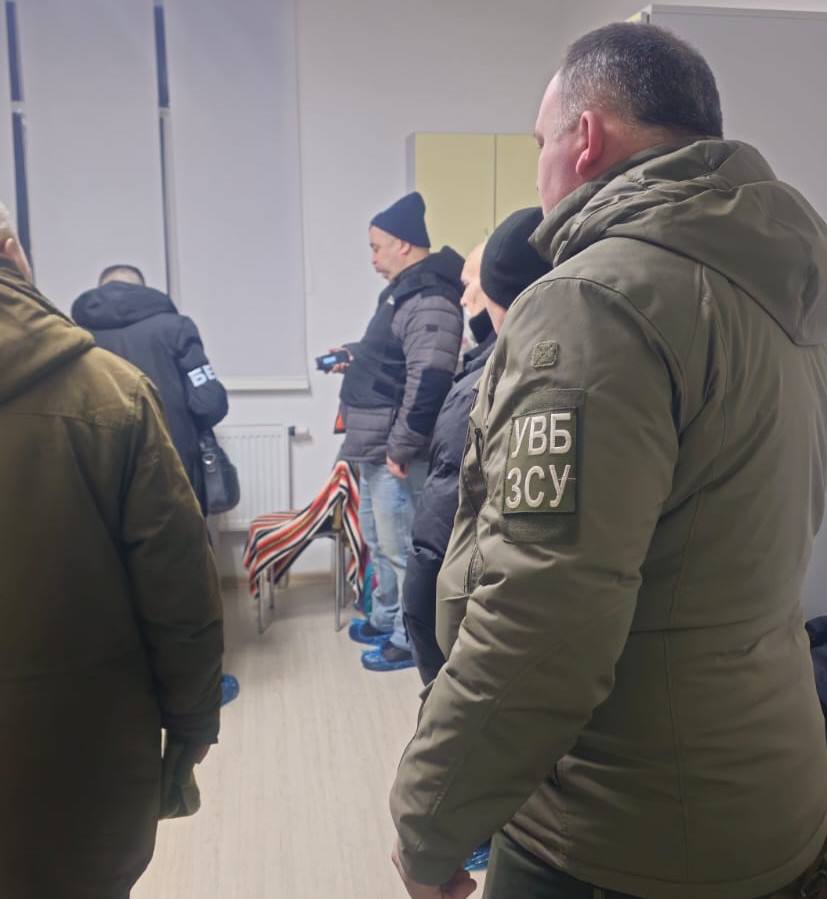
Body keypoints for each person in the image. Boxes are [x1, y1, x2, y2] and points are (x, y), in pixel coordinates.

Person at [390, 22, 827, 899]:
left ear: (583, 139)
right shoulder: (783, 281)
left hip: (620, 828)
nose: (538, 173)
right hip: (773, 782)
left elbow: (540, 618)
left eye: (539, 144)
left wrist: (429, 820)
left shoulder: (595, 301)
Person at [0, 206, 224, 898]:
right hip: (79, 755)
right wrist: (192, 719)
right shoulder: (111, 385)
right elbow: (178, 591)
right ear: (12, 251)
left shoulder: (92, 341)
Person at [402, 208, 550, 687]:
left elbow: (441, 524)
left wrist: (417, 608)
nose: (464, 297)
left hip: (478, 607)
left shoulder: (479, 388)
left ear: (503, 292)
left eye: (473, 284)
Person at [339, 191, 464, 672]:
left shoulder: (430, 296)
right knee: (379, 542)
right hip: (377, 447)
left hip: (397, 452)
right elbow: (396, 357)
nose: (372, 258)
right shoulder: (404, 293)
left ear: (404, 245)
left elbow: (430, 377)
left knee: (403, 549)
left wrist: (402, 447)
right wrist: (354, 357)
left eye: (377, 247)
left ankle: (408, 639)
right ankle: (385, 616)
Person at [72, 264, 228, 516]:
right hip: (174, 465)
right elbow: (210, 402)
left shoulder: (76, 336)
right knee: (181, 539)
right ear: (141, 290)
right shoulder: (176, 328)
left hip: (101, 468)